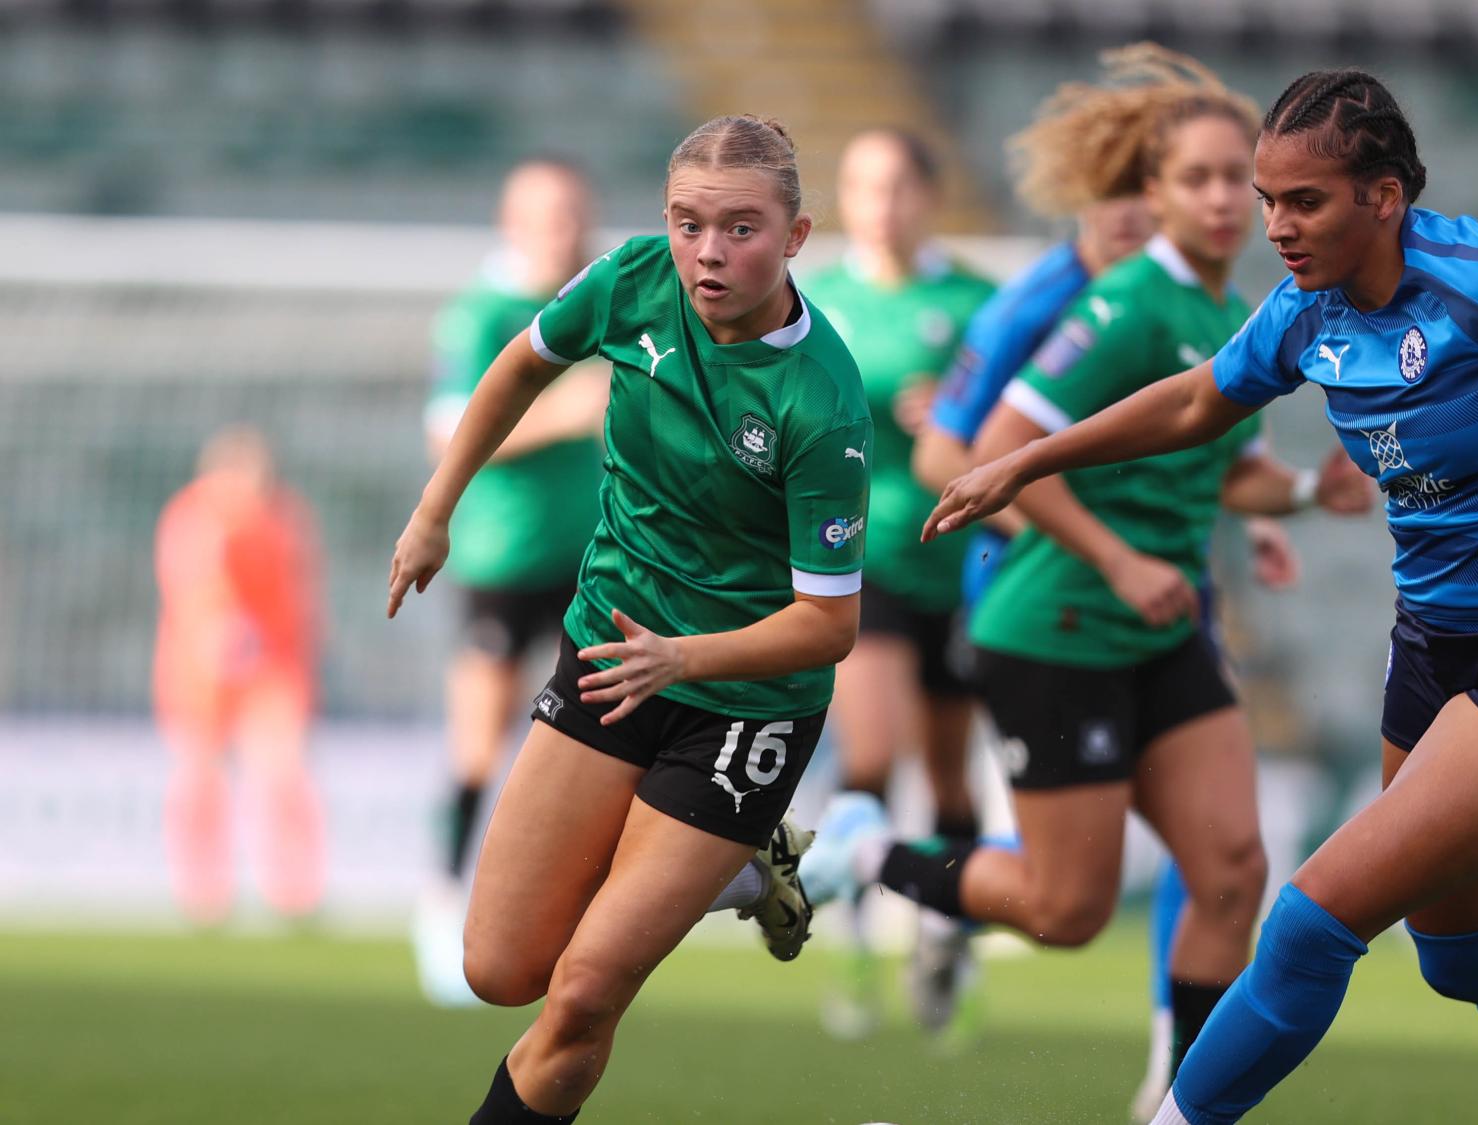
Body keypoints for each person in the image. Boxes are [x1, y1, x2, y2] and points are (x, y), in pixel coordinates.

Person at [920, 69, 1478, 1125]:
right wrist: (1030, 460)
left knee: (1312, 920)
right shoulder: (1303, 311)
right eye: (1267, 201)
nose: (1274, 224)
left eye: (1300, 201)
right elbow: (1194, 399)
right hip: (1435, 649)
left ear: (1383, 198)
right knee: (1470, 960)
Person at [805, 47, 1364, 1103]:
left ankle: (1180, 1093)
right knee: (1067, 913)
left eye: (1227, 182)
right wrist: (1114, 555)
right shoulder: (1116, 309)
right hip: (1055, 627)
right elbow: (997, 452)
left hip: (1157, 629)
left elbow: (1200, 456)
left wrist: (1293, 496)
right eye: (1190, 180)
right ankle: (875, 852)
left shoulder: (1218, 309)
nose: (1216, 201)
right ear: (1149, 197)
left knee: (1234, 869)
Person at [387, 114, 870, 1125]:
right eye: (689, 223)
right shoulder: (630, 280)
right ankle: (738, 869)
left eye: (740, 228)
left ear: (795, 236)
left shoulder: (819, 400)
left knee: (582, 995)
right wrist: (436, 509)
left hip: (745, 703)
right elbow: (522, 362)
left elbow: (827, 627)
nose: (708, 251)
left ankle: (719, 844)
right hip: (614, 652)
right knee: (498, 967)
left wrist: (682, 657)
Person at [802, 128, 995, 1040]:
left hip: (956, 560)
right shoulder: (814, 297)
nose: (880, 203)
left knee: (952, 774)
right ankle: (849, 946)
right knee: (872, 753)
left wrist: (960, 417)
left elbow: (1024, 419)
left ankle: (944, 933)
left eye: (896, 186)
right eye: (862, 184)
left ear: (928, 196)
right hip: (856, 556)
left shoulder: (973, 302)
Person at [415, 158, 611, 1007]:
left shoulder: (605, 303)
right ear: (510, 218)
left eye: (569, 209)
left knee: (604, 740)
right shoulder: (485, 311)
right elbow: (449, 432)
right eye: (541, 210)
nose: (557, 224)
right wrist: (568, 414)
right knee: (479, 741)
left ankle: (583, 914)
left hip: (597, 557)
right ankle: (441, 899)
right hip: (504, 557)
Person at [154, 427, 324, 925]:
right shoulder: (192, 520)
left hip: (271, 669)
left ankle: (295, 893)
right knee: (198, 780)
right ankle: (202, 896)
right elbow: (194, 594)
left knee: (283, 776)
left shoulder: (284, 518)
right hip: (197, 674)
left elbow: (298, 595)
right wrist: (218, 634)